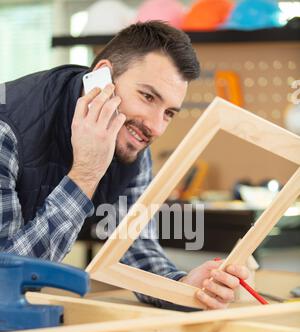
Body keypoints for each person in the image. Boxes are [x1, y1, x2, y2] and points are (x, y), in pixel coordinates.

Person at [0, 21, 248, 310]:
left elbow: (133, 245)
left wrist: (180, 287)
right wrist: (85, 174)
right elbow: (5, 282)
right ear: (102, 77)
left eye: (168, 113)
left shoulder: (129, 141)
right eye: (147, 96)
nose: (155, 127)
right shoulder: (7, 128)